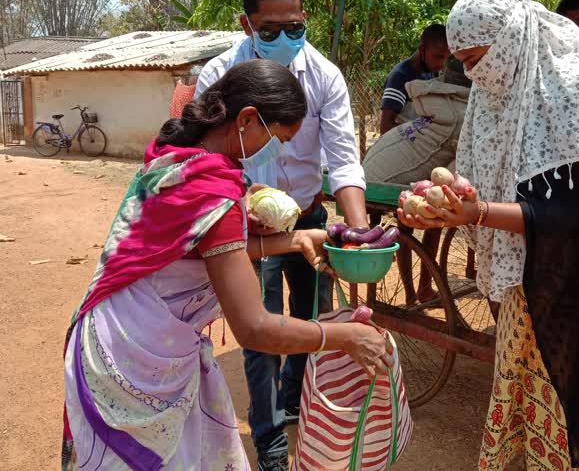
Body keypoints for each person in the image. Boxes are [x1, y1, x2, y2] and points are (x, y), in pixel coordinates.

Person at [61, 60, 392, 471]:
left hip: (125, 334)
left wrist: (298, 239)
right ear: (248, 119)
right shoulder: (211, 190)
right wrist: (344, 337)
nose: (280, 149)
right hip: (129, 360)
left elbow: (206, 253)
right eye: (279, 138)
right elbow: (254, 327)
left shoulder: (182, 160)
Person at [399, 0, 579, 470]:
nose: (472, 72)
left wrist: (479, 213)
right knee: (530, 370)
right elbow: (495, 175)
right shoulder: (497, 89)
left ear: (509, 39)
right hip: (535, 252)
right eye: (464, 62)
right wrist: (456, 197)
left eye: (478, 58)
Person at [194, 0, 369, 469]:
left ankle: (293, 400)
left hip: (310, 214)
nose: (285, 37)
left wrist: (354, 231)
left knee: (311, 315)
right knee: (260, 329)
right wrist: (249, 210)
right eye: (270, 30)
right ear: (246, 24)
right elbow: (213, 163)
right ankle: (270, 442)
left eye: (295, 27)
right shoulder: (220, 76)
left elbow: (343, 160)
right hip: (247, 224)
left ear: (305, 16)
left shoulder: (325, 76)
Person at [365, 55, 471, 301]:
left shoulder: (436, 99)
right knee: (408, 223)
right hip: (382, 182)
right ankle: (413, 293)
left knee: (436, 216)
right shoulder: (458, 113)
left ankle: (422, 289)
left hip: (386, 170)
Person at [380, 23, 451, 135]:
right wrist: (421, 136)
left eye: (446, 57)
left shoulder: (432, 71)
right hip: (405, 146)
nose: (442, 64)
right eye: (439, 56)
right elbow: (386, 127)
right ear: (422, 49)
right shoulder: (400, 77)